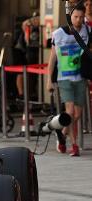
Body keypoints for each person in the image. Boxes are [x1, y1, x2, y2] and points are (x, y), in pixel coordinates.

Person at [47, 5, 89, 157]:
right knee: (70, 112)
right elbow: (52, 58)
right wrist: (48, 80)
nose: (78, 20)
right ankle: (75, 145)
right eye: (75, 17)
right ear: (70, 17)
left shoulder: (87, 31)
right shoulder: (58, 34)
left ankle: (61, 134)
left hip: (80, 78)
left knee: (76, 115)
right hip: (64, 78)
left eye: (80, 17)